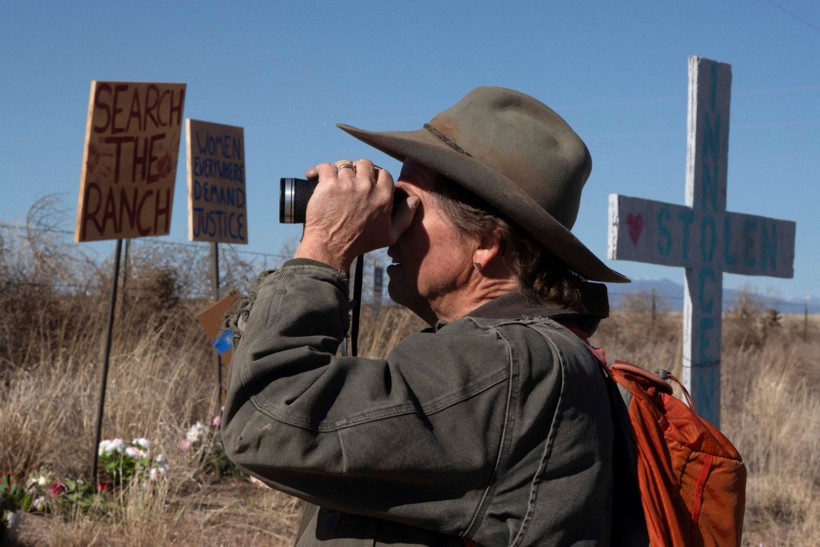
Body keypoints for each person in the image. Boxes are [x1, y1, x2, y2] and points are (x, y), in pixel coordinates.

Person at [221, 87, 645, 545]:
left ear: (485, 242)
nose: (389, 232)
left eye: (407, 205)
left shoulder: (510, 363)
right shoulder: (510, 355)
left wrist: (325, 247)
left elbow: (268, 422)